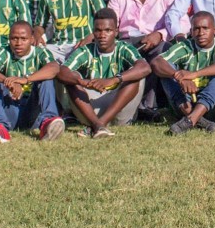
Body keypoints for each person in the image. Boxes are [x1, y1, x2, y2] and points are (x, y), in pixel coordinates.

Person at [107, 0, 187, 119]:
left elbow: (183, 22)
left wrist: (160, 34)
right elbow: (111, 20)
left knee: (162, 54)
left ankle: (148, 106)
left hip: (156, 40)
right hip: (127, 40)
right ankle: (123, 106)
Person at [58, 9, 151, 138]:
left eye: (108, 30)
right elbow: (62, 72)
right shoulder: (86, 51)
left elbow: (145, 67)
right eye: (98, 30)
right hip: (91, 110)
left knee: (136, 76)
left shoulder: (124, 48)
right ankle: (98, 124)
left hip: (119, 110)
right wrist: (81, 81)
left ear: (116, 32)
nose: (102, 35)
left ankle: (98, 124)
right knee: (71, 79)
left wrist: (114, 79)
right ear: (93, 32)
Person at [153, 11, 215, 135]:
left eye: (205, 28)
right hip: (185, 105)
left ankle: (191, 119)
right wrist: (178, 76)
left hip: (214, 108)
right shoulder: (186, 46)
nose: (201, 33)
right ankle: (195, 119)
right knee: (166, 72)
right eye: (196, 29)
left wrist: (194, 74)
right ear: (191, 31)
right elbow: (156, 62)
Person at [0, 21, 66, 143]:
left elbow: (54, 68)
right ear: (9, 39)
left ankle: (47, 123)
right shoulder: (5, 52)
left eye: (23, 39)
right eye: (14, 38)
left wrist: (26, 79)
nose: (18, 43)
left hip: (32, 111)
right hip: (10, 110)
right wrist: (7, 81)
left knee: (46, 77)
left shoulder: (40, 52)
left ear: (31, 39)